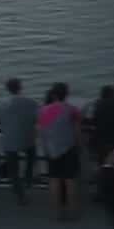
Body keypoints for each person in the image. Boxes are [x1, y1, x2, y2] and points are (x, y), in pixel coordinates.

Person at [39, 83, 82, 220]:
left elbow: (42, 134)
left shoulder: (43, 111)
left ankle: (59, 212)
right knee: (71, 181)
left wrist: (46, 149)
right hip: (69, 149)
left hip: (51, 150)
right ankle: (73, 212)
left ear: (54, 95)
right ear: (66, 95)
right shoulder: (72, 110)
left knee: (54, 181)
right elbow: (77, 132)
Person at [0, 77, 38, 206]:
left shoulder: (2, 104)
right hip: (27, 139)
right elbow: (38, 117)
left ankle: (20, 195)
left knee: (13, 170)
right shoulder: (30, 102)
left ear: (7, 89)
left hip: (9, 140)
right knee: (31, 156)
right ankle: (28, 180)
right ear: (20, 87)